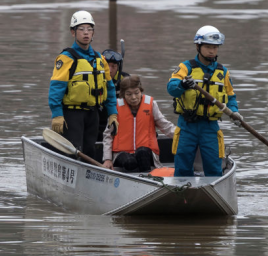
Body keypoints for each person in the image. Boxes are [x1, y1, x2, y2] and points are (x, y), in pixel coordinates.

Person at [167, 25, 242, 177]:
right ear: (198, 46)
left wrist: (234, 112)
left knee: (214, 167)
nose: (212, 51)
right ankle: (183, 196)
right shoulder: (185, 68)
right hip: (187, 125)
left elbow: (230, 96)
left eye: (215, 47)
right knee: (182, 166)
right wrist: (182, 85)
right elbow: (171, 88)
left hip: (210, 126)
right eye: (208, 47)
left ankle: (212, 194)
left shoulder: (223, 72)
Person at [49, 10, 118, 159]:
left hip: (93, 114)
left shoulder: (100, 59)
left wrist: (112, 113)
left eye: (89, 29)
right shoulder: (66, 58)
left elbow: (109, 88)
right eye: (81, 29)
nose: (86, 33)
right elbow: (56, 88)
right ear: (73, 32)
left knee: (89, 151)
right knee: (72, 152)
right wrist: (57, 114)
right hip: (72, 114)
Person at [102, 75, 176, 172]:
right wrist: (107, 159)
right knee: (129, 162)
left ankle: (148, 180)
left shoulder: (151, 105)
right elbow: (108, 135)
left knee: (142, 153)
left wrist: (182, 136)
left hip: (146, 153)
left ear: (141, 90)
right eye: (129, 94)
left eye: (136, 93)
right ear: (123, 94)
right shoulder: (115, 108)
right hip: (121, 154)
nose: (133, 97)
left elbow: (165, 126)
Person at [97, 48, 130, 141]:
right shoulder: (94, 76)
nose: (110, 70)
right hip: (97, 120)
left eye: (114, 66)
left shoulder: (125, 78)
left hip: (118, 121)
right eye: (107, 66)